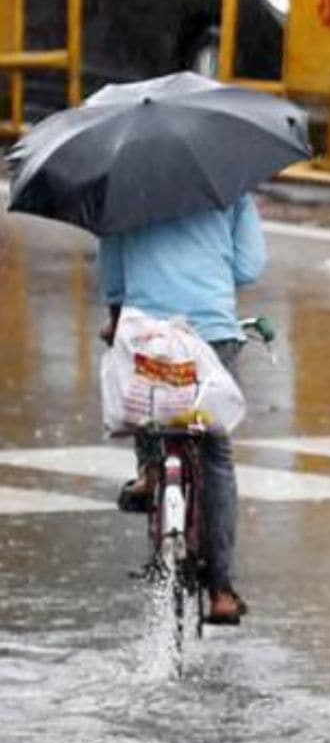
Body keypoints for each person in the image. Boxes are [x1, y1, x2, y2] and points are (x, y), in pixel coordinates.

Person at [100, 195, 267, 625]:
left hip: (147, 332)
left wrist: (117, 316)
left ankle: (150, 471)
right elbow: (249, 267)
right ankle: (222, 591)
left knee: (147, 399)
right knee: (215, 451)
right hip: (212, 333)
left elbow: (114, 280)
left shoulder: (124, 188)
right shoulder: (230, 187)